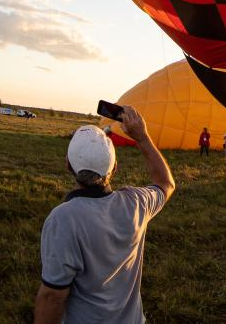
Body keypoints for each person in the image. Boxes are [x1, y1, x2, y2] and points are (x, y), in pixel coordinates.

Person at [34, 107, 174, 324]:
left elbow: (53, 296)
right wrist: (142, 137)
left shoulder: (64, 218)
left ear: (68, 165)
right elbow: (165, 183)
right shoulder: (136, 202)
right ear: (115, 168)